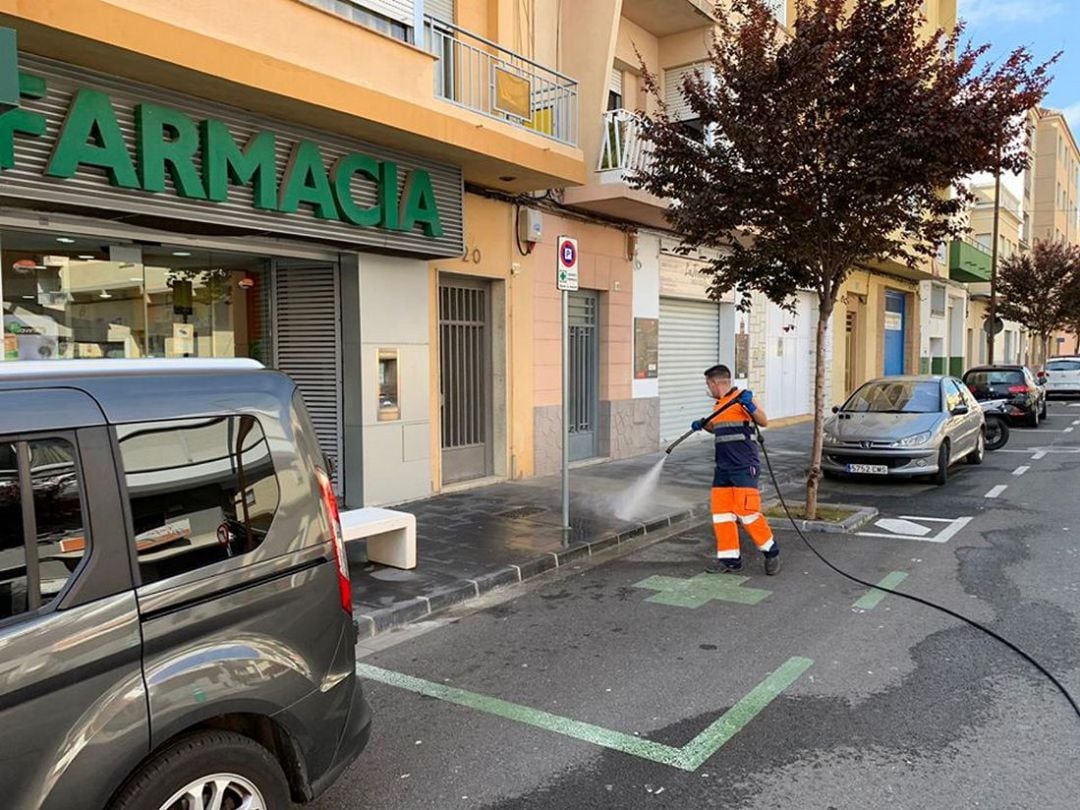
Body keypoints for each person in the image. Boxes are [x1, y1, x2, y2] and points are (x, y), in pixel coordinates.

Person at [690, 364, 780, 575]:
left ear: (715, 382)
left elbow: (763, 421)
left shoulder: (742, 398)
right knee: (722, 515)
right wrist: (703, 424)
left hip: (744, 466)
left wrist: (750, 405)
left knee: (747, 513)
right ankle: (730, 560)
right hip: (723, 468)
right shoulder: (719, 405)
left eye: (708, 384)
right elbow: (719, 427)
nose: (708, 389)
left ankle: (771, 552)